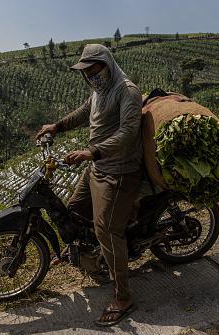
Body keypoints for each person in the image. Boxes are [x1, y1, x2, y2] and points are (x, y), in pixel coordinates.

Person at [36, 44, 142, 326]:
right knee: (73, 209)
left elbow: (129, 132)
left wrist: (91, 152)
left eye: (95, 73)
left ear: (108, 65)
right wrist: (57, 126)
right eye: (87, 74)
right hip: (98, 165)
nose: (92, 78)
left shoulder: (127, 91)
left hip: (119, 171)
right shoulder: (99, 90)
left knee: (106, 229)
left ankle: (123, 297)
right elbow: (86, 111)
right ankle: (84, 254)